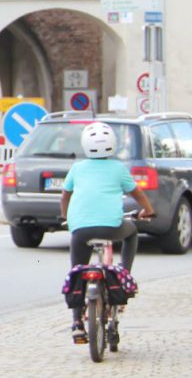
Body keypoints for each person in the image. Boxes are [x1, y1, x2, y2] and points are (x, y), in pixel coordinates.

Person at [59, 121, 155, 343]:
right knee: (131, 233)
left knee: (77, 270)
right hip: (112, 226)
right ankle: (124, 275)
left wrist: (66, 217)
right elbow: (138, 194)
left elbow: (65, 196)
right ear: (113, 144)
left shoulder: (77, 168)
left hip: (80, 229)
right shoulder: (118, 169)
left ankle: (76, 323)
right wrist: (148, 211)